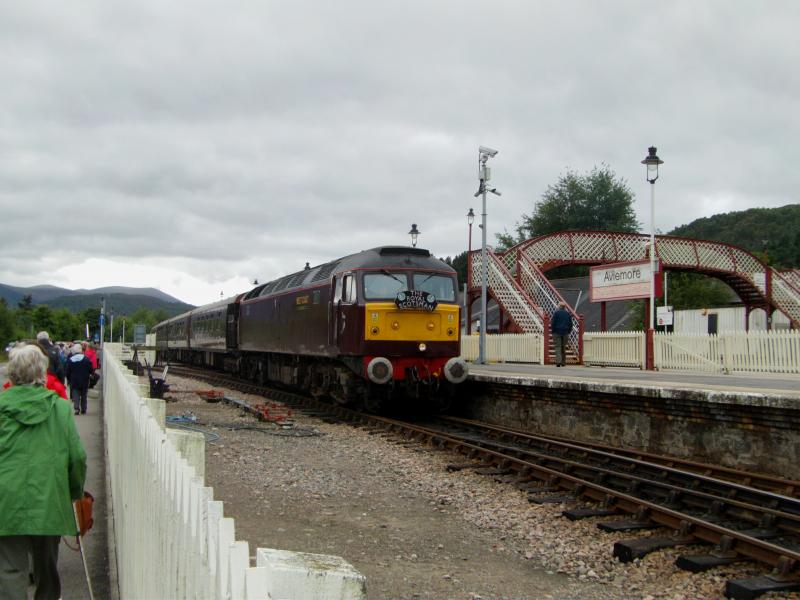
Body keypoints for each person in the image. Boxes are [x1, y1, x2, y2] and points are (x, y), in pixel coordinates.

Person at [0, 343, 87, 600]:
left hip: (6, 500)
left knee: (9, 570)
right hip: (49, 497)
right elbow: (78, 457)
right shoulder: (60, 408)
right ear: (42, 372)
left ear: (11, 374)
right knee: (46, 570)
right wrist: (74, 491)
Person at [66, 343, 94, 415]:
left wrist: (69, 380)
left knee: (76, 395)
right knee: (84, 395)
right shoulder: (86, 359)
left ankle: (76, 408)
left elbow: (67, 371)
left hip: (74, 381)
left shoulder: (70, 360)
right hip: (85, 380)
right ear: (81, 350)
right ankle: (83, 409)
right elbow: (91, 369)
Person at [551, 302, 573, 367]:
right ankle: (563, 362)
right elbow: (570, 324)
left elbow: (553, 323)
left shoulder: (556, 313)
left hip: (557, 332)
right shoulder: (568, 314)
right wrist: (569, 331)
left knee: (558, 347)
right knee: (563, 348)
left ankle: (558, 362)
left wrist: (553, 331)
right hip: (565, 332)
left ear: (559, 306)